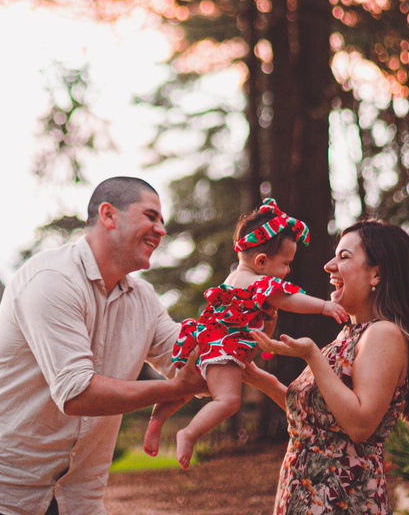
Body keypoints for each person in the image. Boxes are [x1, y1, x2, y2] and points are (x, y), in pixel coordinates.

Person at [0, 177, 207, 515]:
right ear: (109, 215)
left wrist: (253, 310)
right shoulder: (52, 279)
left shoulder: (144, 301)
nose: (161, 230)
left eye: (162, 221)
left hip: (77, 502)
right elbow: (77, 394)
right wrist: (172, 390)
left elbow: (196, 363)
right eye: (151, 216)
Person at [141, 199, 348, 469]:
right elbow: (290, 300)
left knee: (188, 389)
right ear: (261, 261)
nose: (288, 271)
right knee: (227, 401)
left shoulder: (233, 280)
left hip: (211, 346)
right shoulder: (259, 283)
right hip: (225, 352)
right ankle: (189, 434)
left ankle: (156, 421)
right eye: (286, 264)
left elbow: (259, 323)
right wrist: (324, 306)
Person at [247, 220, 409, 515]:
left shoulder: (384, 335)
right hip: (306, 495)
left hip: (340, 499)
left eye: (344, 257)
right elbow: (320, 422)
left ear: (377, 273)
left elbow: (358, 425)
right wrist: (260, 380)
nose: (329, 265)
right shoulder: (349, 336)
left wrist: (311, 355)